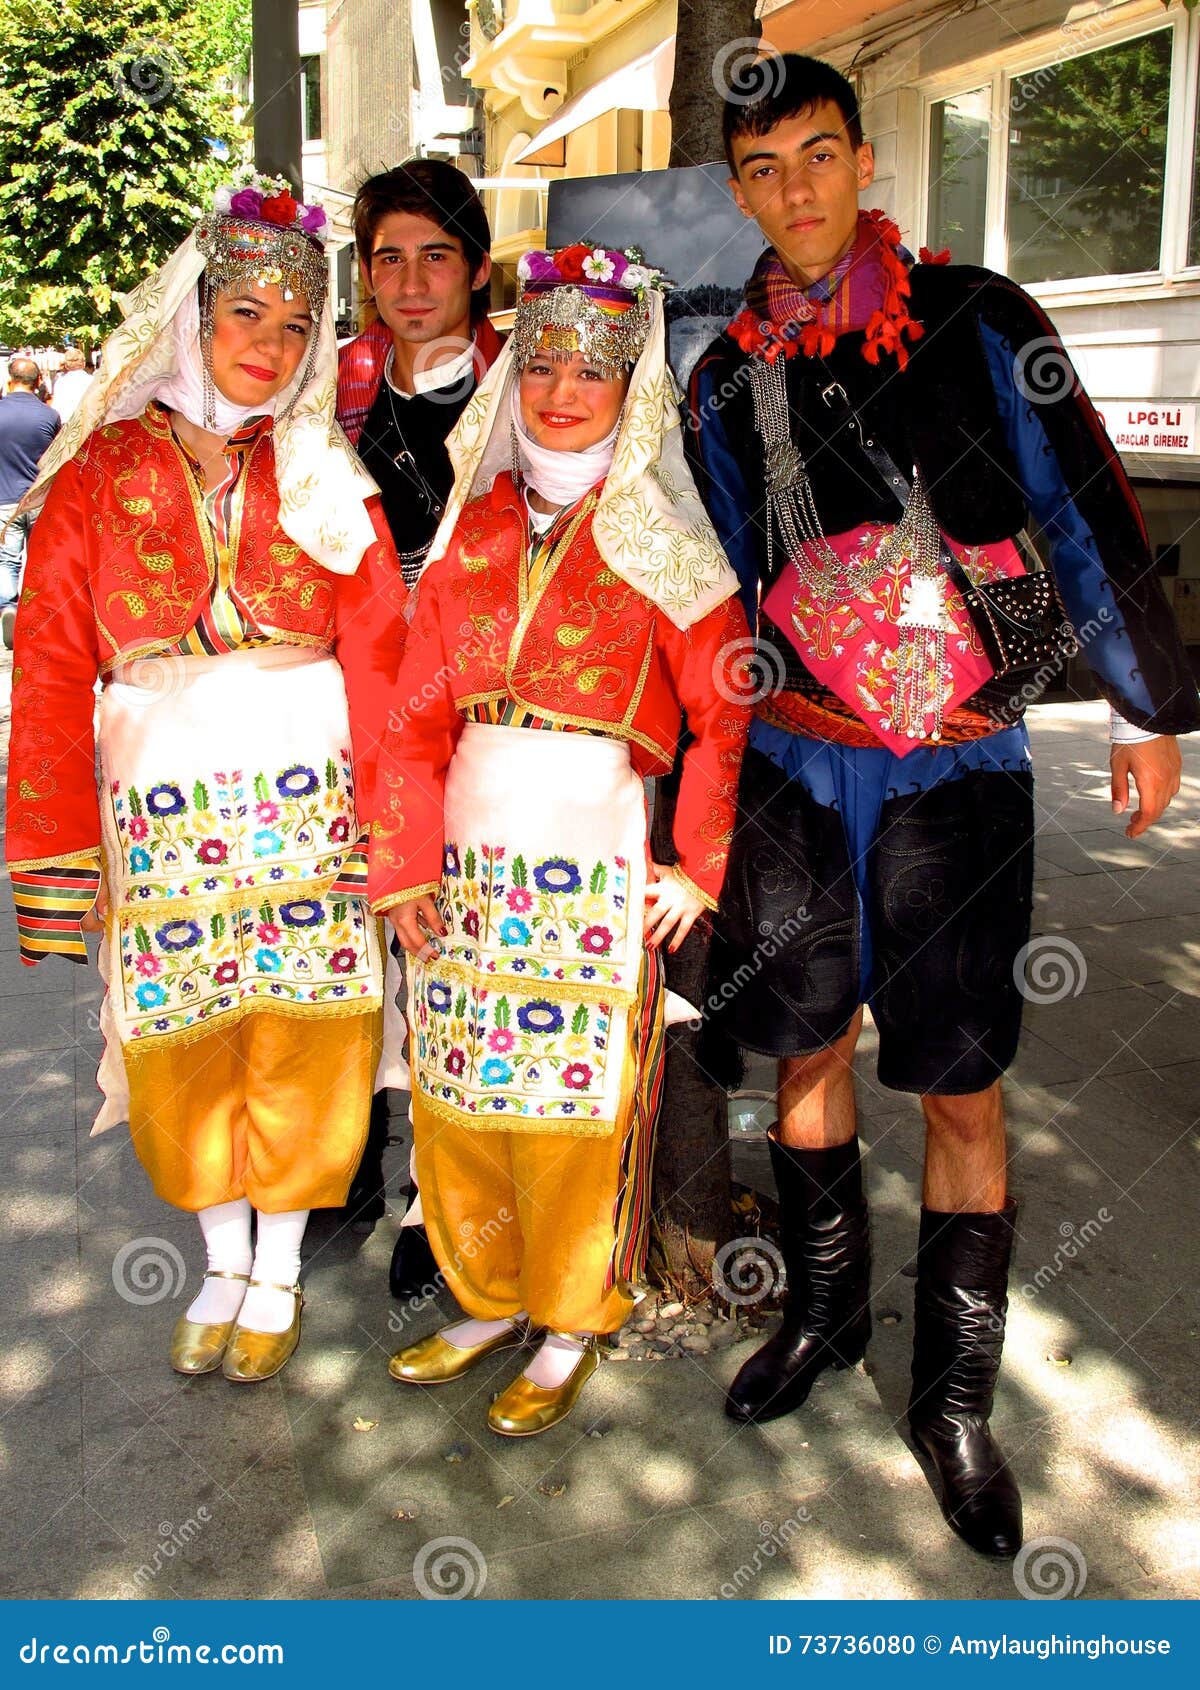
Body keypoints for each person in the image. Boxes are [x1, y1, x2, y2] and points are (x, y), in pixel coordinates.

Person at [688, 54, 1197, 1558]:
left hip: (959, 757)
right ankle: (829, 1322)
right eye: (765, 167)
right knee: (802, 1047)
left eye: (818, 155)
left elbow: (1086, 494)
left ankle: (952, 1399)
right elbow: (709, 574)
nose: (796, 189)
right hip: (792, 755)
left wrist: (1145, 700)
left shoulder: (983, 318)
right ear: (739, 189)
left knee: (963, 1073)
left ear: (863, 162)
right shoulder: (725, 374)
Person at [5, 173, 407, 1384]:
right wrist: (49, 843)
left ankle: (277, 1271)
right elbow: (50, 661)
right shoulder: (96, 470)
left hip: (311, 805)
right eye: (247, 317)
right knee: (185, 1033)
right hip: (161, 803)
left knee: (302, 1030)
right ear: (195, 313)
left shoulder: (328, 473)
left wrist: (399, 838)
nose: (270, 347)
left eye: (297, 327)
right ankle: (217, 1259)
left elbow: (385, 657)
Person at [367, 243, 753, 1436]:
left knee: (576, 1100)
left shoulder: (661, 534)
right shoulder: (474, 529)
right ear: (513, 375)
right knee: (464, 1090)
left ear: (630, 385)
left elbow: (725, 700)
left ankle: (573, 1311)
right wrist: (402, 864)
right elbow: (411, 715)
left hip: (591, 846)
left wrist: (695, 859)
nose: (562, 389)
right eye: (541, 363)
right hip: (466, 850)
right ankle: (486, 1296)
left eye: (593, 368)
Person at [335, 159, 504, 1262]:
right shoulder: (332, 387)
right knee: (360, 926)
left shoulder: (528, 379)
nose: (409, 280)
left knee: (461, 939)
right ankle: (352, 1158)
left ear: (477, 269)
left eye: (434, 255)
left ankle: (436, 1198)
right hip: (355, 698)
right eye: (387, 257)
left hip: (488, 710)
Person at [0, 356, 60, 636]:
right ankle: (39, 612)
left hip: (4, 498)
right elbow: (59, 457)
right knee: (41, 557)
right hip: (40, 498)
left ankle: (8, 607)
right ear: (38, 382)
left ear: (10, 380)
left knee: (7, 559)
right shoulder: (49, 416)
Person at [50, 346, 94, 425]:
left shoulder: (60, 382)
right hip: (87, 425)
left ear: (66, 365)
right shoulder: (92, 380)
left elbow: (56, 408)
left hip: (66, 425)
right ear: (83, 364)